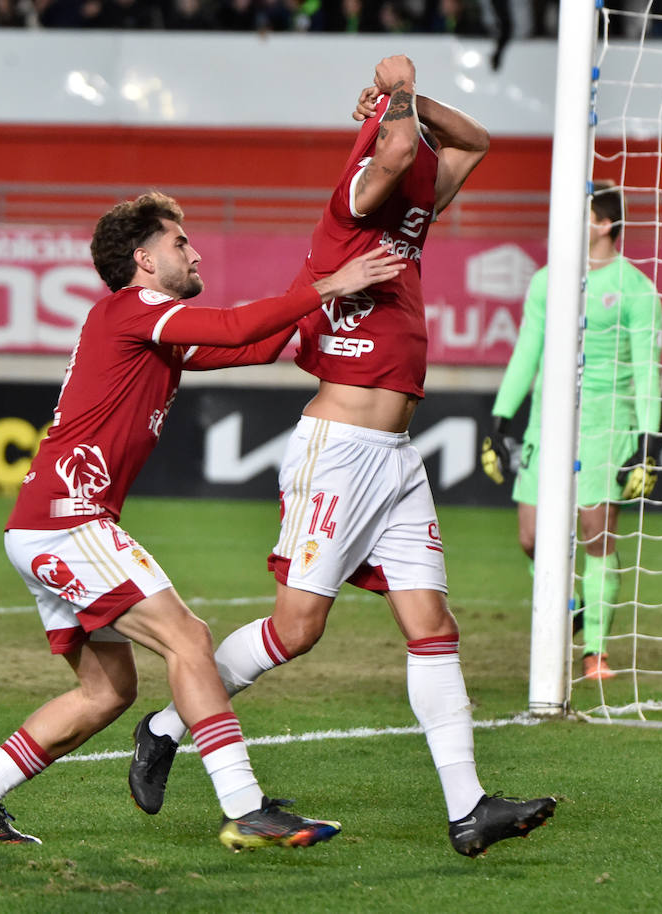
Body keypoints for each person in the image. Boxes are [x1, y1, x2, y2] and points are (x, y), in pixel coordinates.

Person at [129, 56, 556, 858]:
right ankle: (163, 727)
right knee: (298, 629)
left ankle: (469, 810)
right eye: (398, 139)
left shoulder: (404, 222)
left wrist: (413, 98)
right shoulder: (351, 206)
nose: (412, 160)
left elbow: (475, 142)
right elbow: (395, 153)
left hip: (396, 454)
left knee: (433, 626)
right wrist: (396, 82)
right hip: (340, 450)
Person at [0, 191, 405, 848]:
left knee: (106, 692)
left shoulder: (152, 326)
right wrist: (333, 282)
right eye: (180, 242)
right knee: (188, 638)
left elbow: (256, 346)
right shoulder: (136, 308)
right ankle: (243, 807)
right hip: (67, 522)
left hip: (46, 525)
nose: (195, 250)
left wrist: (323, 270)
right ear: (144, 258)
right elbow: (239, 328)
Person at [480, 180, 662, 681]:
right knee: (532, 536)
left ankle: (595, 650)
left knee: (595, 536)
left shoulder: (636, 291)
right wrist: (500, 419)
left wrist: (648, 441)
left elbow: (647, 369)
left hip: (607, 425)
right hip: (547, 420)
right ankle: (573, 605)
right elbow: (526, 352)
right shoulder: (547, 281)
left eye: (579, 216)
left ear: (603, 224)